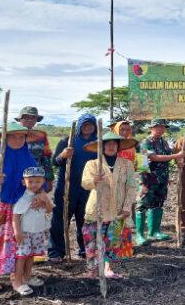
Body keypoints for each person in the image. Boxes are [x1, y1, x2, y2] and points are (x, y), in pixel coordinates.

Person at [0, 123, 44, 293]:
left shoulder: (27, 156)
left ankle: (19, 277)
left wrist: (36, 193)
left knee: (19, 242)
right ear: (5, 138)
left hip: (20, 207)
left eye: (22, 137)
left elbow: (36, 179)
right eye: (14, 136)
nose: (19, 140)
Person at [81, 132, 138, 278]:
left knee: (114, 240)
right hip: (97, 209)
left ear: (118, 146)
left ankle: (108, 268)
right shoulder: (93, 164)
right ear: (102, 146)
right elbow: (85, 183)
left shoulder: (127, 164)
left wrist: (126, 207)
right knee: (92, 241)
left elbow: (131, 187)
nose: (111, 146)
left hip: (119, 210)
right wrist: (95, 179)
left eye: (114, 143)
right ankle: (92, 270)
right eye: (107, 143)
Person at [48, 114, 98, 263]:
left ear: (95, 126)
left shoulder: (97, 143)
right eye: (85, 124)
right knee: (60, 219)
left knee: (85, 219)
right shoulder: (68, 141)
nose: (88, 127)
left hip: (88, 187)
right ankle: (56, 251)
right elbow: (55, 162)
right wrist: (63, 155)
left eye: (91, 124)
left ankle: (85, 249)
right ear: (79, 126)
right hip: (67, 187)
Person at [135, 120, 184, 245]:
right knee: (142, 206)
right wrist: (176, 156)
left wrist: (177, 161)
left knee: (158, 204)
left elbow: (166, 159)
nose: (161, 129)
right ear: (151, 128)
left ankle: (154, 232)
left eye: (163, 127)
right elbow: (153, 157)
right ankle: (139, 235)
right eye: (158, 127)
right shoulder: (145, 142)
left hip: (161, 179)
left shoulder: (164, 142)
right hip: (148, 180)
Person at [12, 167, 54, 296]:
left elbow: (49, 210)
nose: (34, 184)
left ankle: (27, 277)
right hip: (25, 233)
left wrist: (45, 200)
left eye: (37, 181)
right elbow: (16, 215)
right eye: (31, 182)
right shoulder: (23, 197)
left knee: (31, 256)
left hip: (37, 231)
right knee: (22, 257)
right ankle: (18, 282)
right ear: (24, 182)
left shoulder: (43, 195)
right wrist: (17, 232)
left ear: (43, 182)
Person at [15, 106, 53, 191]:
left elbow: (46, 158)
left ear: (36, 120)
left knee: (34, 203)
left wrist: (49, 179)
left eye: (33, 118)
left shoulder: (41, 137)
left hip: (35, 179)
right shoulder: (11, 135)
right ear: (20, 119)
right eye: (26, 117)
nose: (29, 120)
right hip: (14, 178)